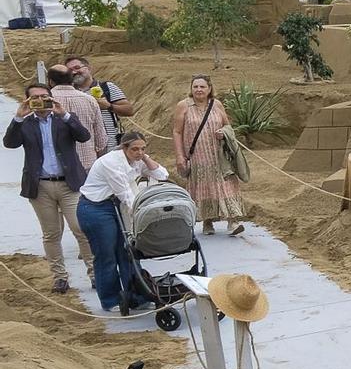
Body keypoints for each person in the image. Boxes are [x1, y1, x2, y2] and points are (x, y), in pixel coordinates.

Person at [5, 81, 96, 292]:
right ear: (27, 100)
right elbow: (10, 143)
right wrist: (19, 116)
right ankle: (60, 277)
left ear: (51, 97)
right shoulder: (25, 123)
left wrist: (64, 114)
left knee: (81, 230)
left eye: (43, 96)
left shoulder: (64, 119)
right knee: (51, 234)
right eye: (34, 97)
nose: (40, 101)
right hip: (41, 186)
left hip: (69, 184)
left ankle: (94, 274)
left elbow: (84, 136)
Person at [76, 131, 170, 312]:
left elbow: (162, 175)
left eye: (143, 148)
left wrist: (146, 159)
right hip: (96, 208)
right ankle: (111, 300)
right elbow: (125, 194)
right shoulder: (111, 162)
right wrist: (144, 215)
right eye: (135, 149)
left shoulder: (137, 160)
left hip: (116, 207)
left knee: (127, 251)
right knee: (107, 255)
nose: (139, 152)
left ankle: (137, 295)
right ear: (123, 147)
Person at [173, 74, 246, 235]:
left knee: (226, 184)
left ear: (209, 88)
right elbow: (177, 132)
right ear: (191, 89)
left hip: (219, 156)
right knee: (204, 187)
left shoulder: (217, 105)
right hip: (198, 156)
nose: (199, 90)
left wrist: (223, 132)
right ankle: (207, 222)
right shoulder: (183, 106)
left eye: (202, 87)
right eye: (195, 87)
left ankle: (233, 221)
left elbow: (228, 126)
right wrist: (180, 156)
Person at [45, 65, 110, 167]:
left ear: (50, 81)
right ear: (72, 80)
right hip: (86, 164)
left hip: (54, 168)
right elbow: (101, 140)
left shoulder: (45, 102)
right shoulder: (90, 100)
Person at [66, 55, 132, 142]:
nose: (74, 72)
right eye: (70, 70)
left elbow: (129, 110)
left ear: (89, 68)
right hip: (82, 147)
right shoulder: (67, 93)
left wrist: (109, 106)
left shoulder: (107, 87)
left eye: (77, 68)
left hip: (109, 145)